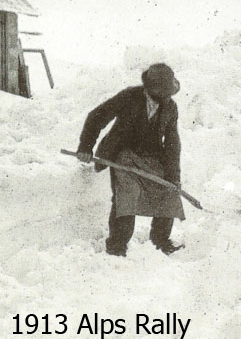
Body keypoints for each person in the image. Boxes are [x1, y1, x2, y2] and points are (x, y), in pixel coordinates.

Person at [76, 63, 185, 256]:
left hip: (151, 157)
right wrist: (86, 147)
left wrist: (173, 176)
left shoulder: (170, 107)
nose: (166, 96)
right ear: (150, 88)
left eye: (168, 92)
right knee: (127, 196)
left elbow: (172, 143)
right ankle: (117, 246)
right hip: (122, 155)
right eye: (162, 91)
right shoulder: (129, 97)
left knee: (169, 191)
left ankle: (160, 241)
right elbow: (97, 116)